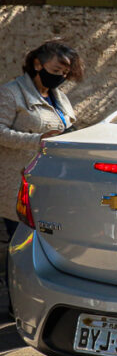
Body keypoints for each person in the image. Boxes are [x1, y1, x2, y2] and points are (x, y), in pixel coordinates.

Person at [0, 41, 82, 242]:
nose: (60, 77)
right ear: (37, 65)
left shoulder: (60, 98)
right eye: (56, 70)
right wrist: (38, 140)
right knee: (22, 241)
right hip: (19, 181)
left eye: (65, 73)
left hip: (51, 181)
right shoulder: (11, 93)